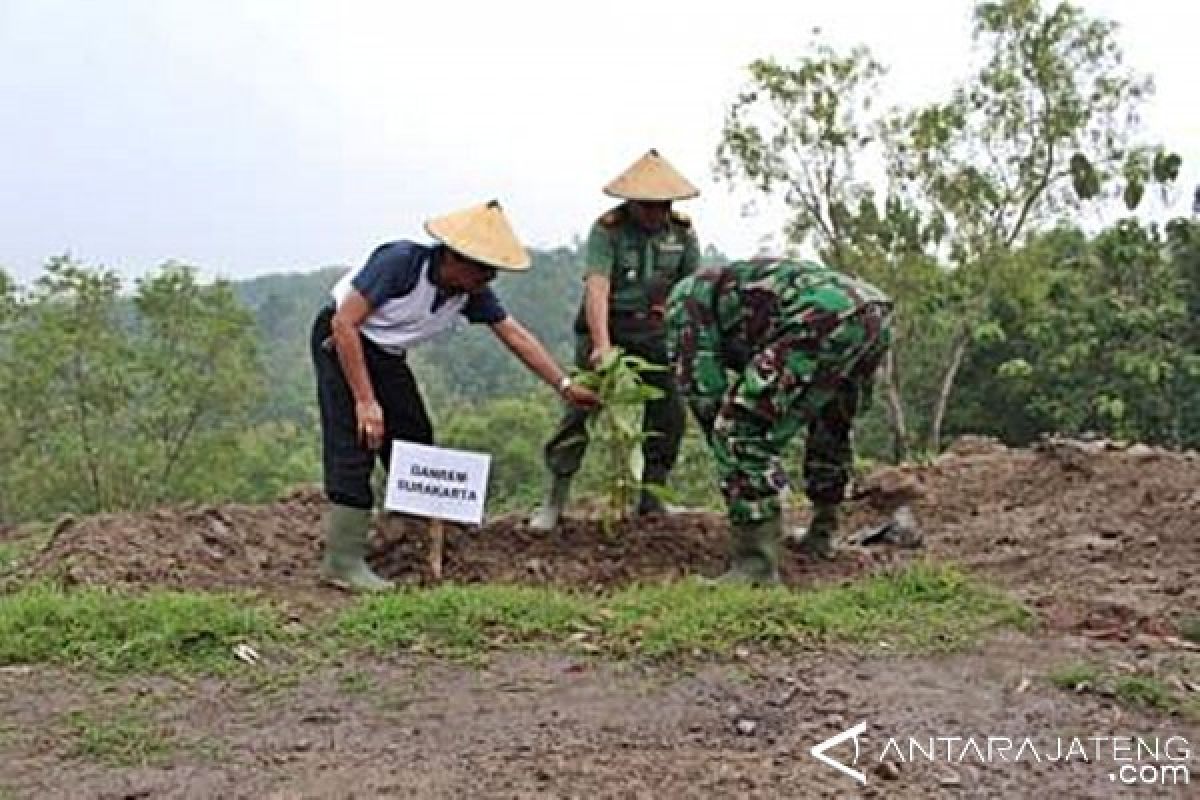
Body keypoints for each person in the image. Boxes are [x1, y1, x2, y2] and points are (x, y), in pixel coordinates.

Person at [311, 200, 598, 591]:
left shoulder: (468, 292)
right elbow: (344, 322)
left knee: (412, 435)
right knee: (357, 440)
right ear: (455, 258)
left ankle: (407, 534)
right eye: (483, 268)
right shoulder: (400, 263)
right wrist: (365, 400)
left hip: (388, 354)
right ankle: (342, 562)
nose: (489, 278)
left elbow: (514, 335)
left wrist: (564, 386)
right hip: (341, 342)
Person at [664, 257, 893, 585]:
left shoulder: (680, 304)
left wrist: (739, 468)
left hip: (820, 317)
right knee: (832, 421)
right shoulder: (720, 283)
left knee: (736, 431)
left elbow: (705, 393)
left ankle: (756, 565)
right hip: (871, 311)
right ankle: (822, 532)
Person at [529, 149, 701, 531]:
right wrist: (602, 346)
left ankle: (652, 498)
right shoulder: (607, 230)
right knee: (581, 407)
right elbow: (597, 288)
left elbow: (691, 289)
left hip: (657, 334)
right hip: (607, 326)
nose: (656, 213)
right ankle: (554, 500)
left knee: (670, 413)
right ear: (632, 203)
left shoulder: (682, 233)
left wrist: (677, 324)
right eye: (648, 206)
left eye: (663, 205)